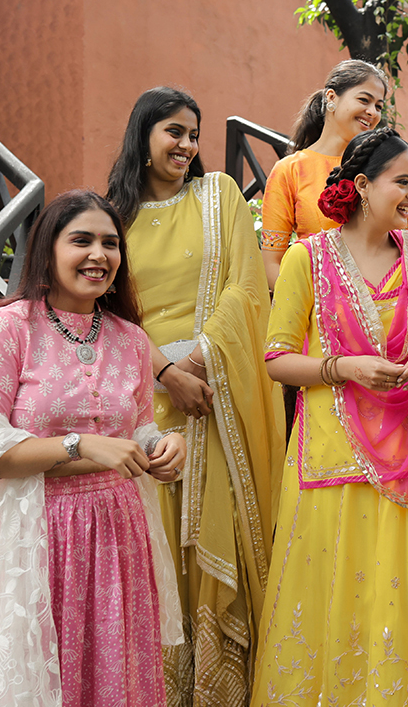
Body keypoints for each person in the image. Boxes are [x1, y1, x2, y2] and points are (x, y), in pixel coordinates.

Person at [251, 127, 408, 706]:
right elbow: (278, 360)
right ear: (362, 186)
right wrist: (345, 368)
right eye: (404, 182)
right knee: (332, 598)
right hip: (332, 455)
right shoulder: (304, 258)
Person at [0, 190, 185, 706]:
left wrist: (163, 445)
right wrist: (80, 446)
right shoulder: (7, 328)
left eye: (111, 244)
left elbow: (137, 427)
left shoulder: (131, 339)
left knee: (110, 683)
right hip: (31, 536)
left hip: (115, 538)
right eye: (82, 240)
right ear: (48, 249)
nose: (99, 254)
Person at [106, 87, 285, 706]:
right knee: (149, 547)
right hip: (140, 398)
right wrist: (165, 374)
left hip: (215, 394)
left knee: (220, 534)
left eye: (193, 134)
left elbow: (244, 290)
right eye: (173, 133)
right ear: (143, 136)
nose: (185, 146)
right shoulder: (113, 219)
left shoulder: (220, 196)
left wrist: (198, 360)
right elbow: (108, 313)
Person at [260, 60, 408, 290]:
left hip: (391, 306)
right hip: (319, 310)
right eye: (364, 100)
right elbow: (271, 264)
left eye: (379, 106)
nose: (372, 112)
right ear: (332, 97)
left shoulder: (393, 166)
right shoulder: (291, 170)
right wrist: (317, 304)